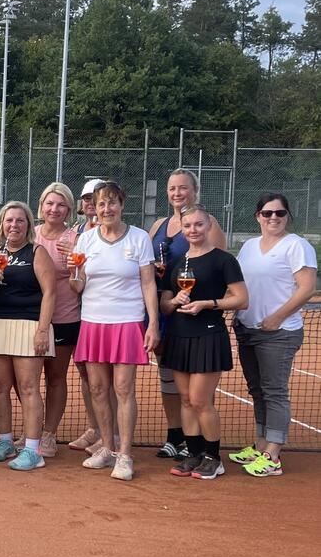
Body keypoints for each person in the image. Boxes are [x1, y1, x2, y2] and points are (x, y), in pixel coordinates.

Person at [71, 181, 159, 481]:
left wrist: (153, 324)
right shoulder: (85, 240)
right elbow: (78, 286)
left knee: (123, 390)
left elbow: (149, 283)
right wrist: (75, 274)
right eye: (101, 204)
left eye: (112, 203)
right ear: (93, 208)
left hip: (127, 322)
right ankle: (106, 449)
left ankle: (125, 455)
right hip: (93, 322)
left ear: (122, 205)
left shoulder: (139, 238)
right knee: (97, 389)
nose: (107, 209)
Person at [229, 193, 317, 477]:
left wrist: (277, 317)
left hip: (279, 333)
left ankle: (273, 454)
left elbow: (306, 289)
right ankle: (260, 444)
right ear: (258, 217)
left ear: (287, 216)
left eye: (279, 213)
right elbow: (240, 285)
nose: (274, 218)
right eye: (267, 214)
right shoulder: (249, 246)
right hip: (248, 329)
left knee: (275, 391)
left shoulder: (297, 246)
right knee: (257, 390)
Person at [160, 204, 248, 480]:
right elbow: (164, 304)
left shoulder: (224, 260)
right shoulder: (177, 264)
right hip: (179, 335)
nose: (193, 230)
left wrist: (209, 304)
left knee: (200, 400)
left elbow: (241, 298)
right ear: (182, 229)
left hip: (209, 334)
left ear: (209, 226)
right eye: (188, 226)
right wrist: (175, 301)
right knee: (185, 399)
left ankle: (213, 457)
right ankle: (195, 453)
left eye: (199, 225)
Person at [147, 168, 228, 460]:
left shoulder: (208, 224)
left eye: (183, 188)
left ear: (195, 191)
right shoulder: (158, 225)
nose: (177, 193)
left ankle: (203, 445)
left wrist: (203, 301)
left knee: (198, 385)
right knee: (169, 373)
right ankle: (176, 435)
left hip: (197, 316)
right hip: (165, 307)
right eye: (172, 188)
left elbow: (216, 268)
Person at [0, 201, 56, 471]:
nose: (14, 225)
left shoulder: (37, 252)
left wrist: (42, 330)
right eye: (9, 220)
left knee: (29, 388)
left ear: (28, 225)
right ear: (2, 224)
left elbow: (50, 293)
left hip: (29, 325)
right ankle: (6, 441)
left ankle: (33, 449)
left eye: (20, 220)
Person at [31, 183, 90, 458]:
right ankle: (31, 431)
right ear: (41, 206)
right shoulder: (29, 235)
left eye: (60, 205)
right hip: (30, 318)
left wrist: (74, 265)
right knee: (27, 380)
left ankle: (49, 434)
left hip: (65, 318)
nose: (54, 209)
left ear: (69, 209)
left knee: (55, 378)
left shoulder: (75, 239)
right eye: (49, 203)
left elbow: (80, 285)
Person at [66, 179, 106, 451]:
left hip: (104, 314)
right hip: (77, 311)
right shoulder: (75, 233)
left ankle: (109, 433)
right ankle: (94, 428)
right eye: (86, 198)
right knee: (85, 373)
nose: (90, 203)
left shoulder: (113, 232)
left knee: (106, 377)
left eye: (96, 197)